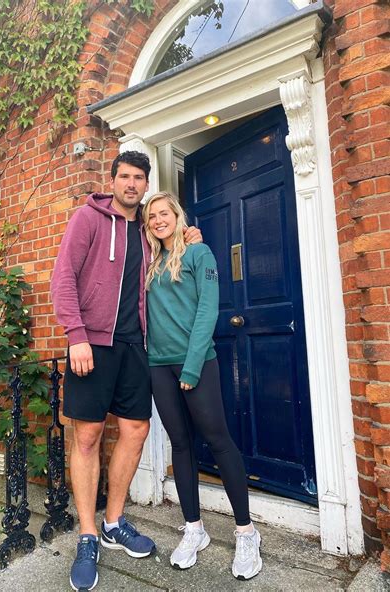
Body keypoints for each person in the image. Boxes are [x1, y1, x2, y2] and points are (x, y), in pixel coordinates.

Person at [51, 152, 201, 591]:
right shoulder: (88, 218)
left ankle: (114, 521)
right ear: (112, 180)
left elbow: (175, 250)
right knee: (87, 435)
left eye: (139, 178)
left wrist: (190, 235)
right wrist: (76, 334)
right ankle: (87, 534)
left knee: (135, 430)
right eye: (125, 177)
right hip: (92, 344)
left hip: (136, 345)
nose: (132, 184)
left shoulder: (147, 230)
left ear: (146, 182)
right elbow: (63, 278)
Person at [143, 191, 262, 581]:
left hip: (197, 363)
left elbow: (208, 310)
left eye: (164, 213)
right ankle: (194, 528)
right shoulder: (151, 260)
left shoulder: (200, 254)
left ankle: (246, 532)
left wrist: (191, 368)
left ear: (177, 215)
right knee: (180, 444)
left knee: (218, 439)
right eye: (151, 216)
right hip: (159, 365)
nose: (158, 219)